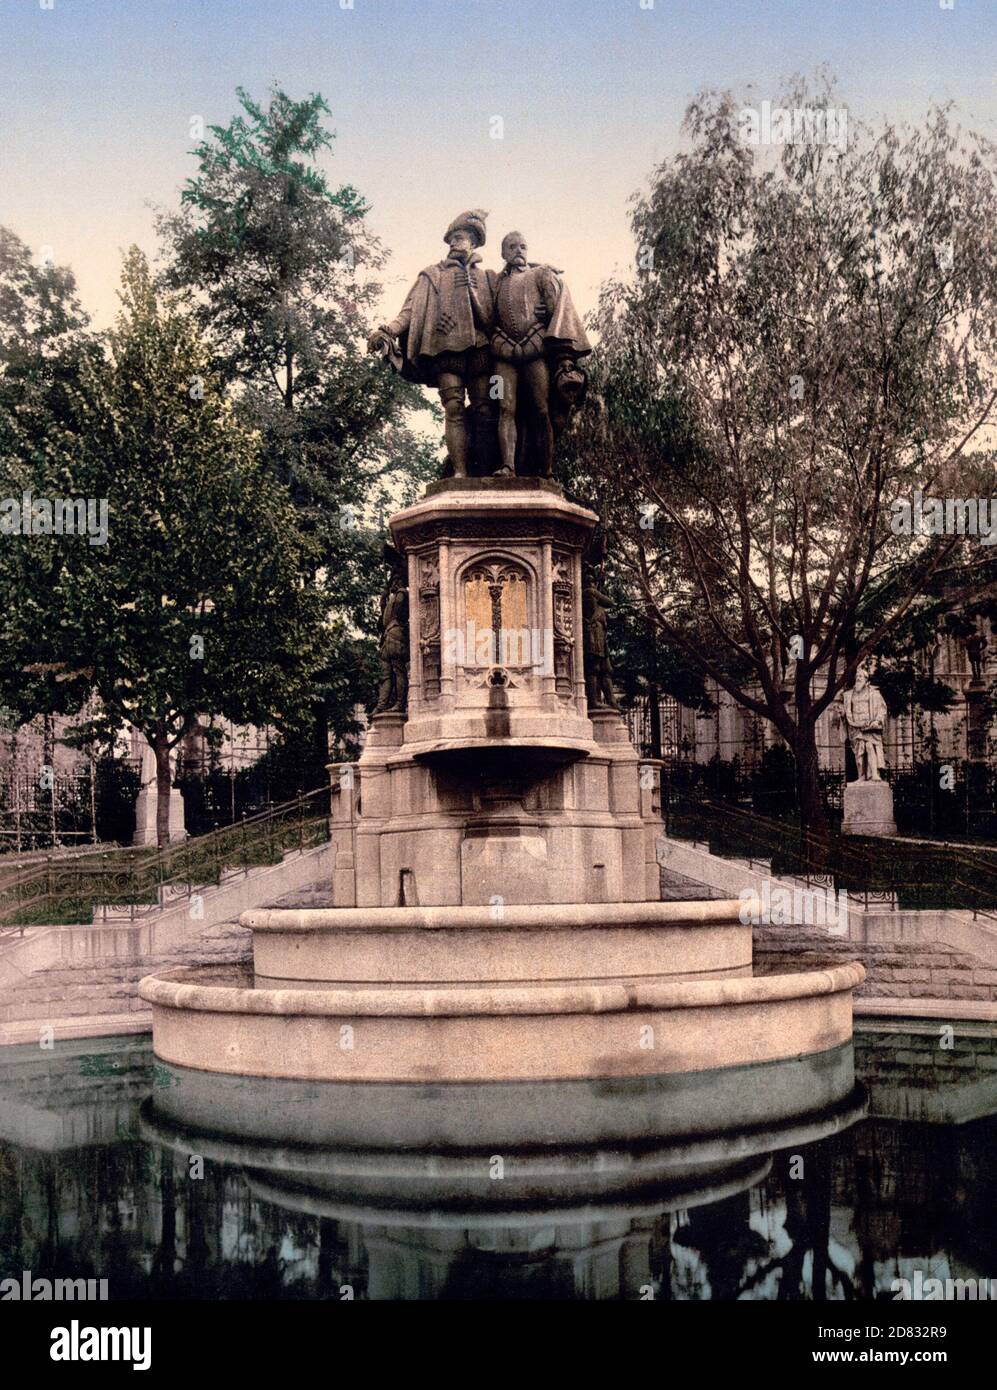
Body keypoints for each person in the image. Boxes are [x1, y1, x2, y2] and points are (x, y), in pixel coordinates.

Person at [368, 210, 496, 476]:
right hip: (446, 350)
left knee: (485, 408)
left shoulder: (487, 277)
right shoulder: (431, 275)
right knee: (453, 407)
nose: (453, 243)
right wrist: (388, 331)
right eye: (451, 238)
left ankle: (484, 473)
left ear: (473, 241)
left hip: (481, 350)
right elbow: (410, 311)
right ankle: (459, 473)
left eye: (459, 237)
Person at [488, 231, 591, 476]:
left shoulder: (541, 275)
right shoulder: (494, 283)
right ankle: (507, 466)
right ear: (503, 253)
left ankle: (545, 469)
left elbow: (557, 312)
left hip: (536, 352)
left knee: (541, 409)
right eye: (512, 247)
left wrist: (564, 357)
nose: (518, 250)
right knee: (505, 407)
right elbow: (487, 317)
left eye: (523, 246)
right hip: (503, 355)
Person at [843, 664, 887, 780]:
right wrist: (842, 714)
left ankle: (874, 774)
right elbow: (847, 710)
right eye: (857, 676)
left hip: (869, 726)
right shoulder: (849, 695)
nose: (858, 678)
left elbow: (881, 709)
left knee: (869, 746)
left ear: (866, 680)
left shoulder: (874, 693)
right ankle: (861, 776)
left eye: (861, 676)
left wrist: (877, 721)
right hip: (855, 727)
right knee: (859, 752)